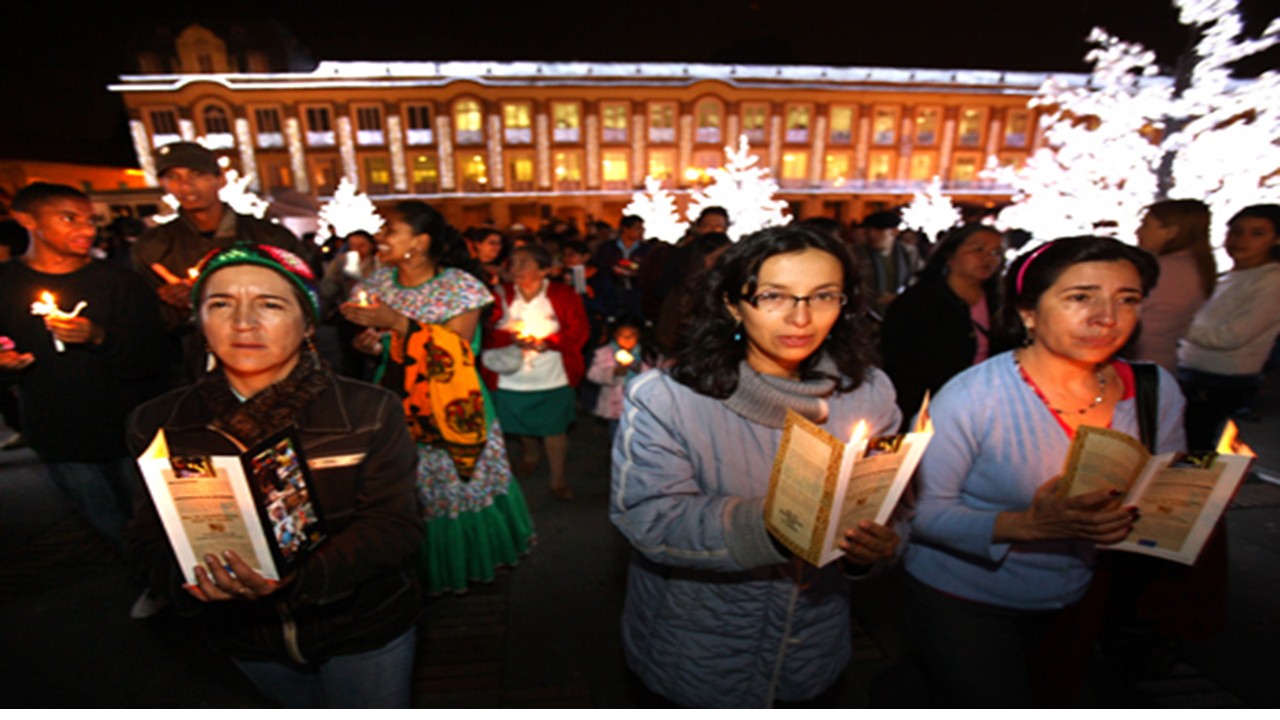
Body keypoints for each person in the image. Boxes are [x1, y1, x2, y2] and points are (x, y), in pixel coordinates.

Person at [611, 226, 902, 708]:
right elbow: (649, 518)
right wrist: (776, 521)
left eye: (824, 296)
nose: (801, 317)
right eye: (773, 296)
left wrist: (870, 549)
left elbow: (899, 509)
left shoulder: (868, 393)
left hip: (813, 651)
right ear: (732, 304)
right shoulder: (667, 399)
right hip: (698, 657)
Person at [126, 243, 423, 708]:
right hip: (244, 637)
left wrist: (297, 578)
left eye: (270, 304)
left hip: (362, 628)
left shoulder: (367, 410)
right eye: (221, 304)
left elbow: (396, 525)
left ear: (307, 325)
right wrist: (192, 582)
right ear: (199, 323)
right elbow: (148, 539)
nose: (244, 322)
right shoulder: (160, 424)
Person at [902, 236, 1185, 707]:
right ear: (1028, 312)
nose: (1106, 317)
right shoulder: (970, 397)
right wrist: (1028, 526)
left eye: (1127, 299)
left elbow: (1162, 490)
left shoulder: (1156, 390)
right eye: (1079, 297)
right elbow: (920, 512)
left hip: (1080, 598)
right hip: (965, 599)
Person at [339, 201, 534, 595]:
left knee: (454, 485)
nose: (380, 237)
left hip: (452, 404)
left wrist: (397, 323)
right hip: (393, 400)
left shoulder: (459, 287)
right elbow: (389, 347)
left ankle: (463, 564)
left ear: (420, 241)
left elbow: (456, 351)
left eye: (390, 229)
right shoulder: (376, 285)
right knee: (406, 487)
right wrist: (371, 345)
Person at [0, 183, 166, 555]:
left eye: (90, 219)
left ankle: (168, 584)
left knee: (153, 519)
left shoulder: (120, 282)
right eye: (69, 218)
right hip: (59, 432)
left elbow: (153, 355)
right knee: (107, 520)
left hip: (126, 427)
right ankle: (142, 578)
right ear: (27, 220)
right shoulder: (6, 285)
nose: (86, 229)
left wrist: (98, 337)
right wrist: (6, 364)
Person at [132, 142, 314, 379]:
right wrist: (172, 305)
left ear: (220, 179)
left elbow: (307, 299)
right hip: (192, 367)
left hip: (273, 362)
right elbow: (141, 322)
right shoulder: (153, 248)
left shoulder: (270, 237)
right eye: (173, 177)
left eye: (198, 175)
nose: (186, 185)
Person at [485, 243, 589, 500]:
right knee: (519, 422)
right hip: (511, 376)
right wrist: (510, 338)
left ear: (544, 270)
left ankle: (558, 479)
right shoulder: (502, 294)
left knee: (554, 428)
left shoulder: (563, 294)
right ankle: (530, 453)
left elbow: (579, 332)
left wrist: (548, 342)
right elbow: (486, 331)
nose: (516, 269)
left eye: (524, 263)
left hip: (552, 374)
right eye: (514, 263)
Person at [1177, 204, 1280, 451]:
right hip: (1193, 373)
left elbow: (1230, 337)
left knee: (1197, 449)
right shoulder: (1226, 276)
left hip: (1221, 381)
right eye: (1236, 231)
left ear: (1276, 239)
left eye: (1256, 233)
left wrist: (1174, 326)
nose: (1241, 240)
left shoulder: (1271, 281)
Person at [880, 224, 1005, 420]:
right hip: (934, 406)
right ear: (950, 255)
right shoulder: (920, 300)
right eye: (978, 250)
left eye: (996, 252)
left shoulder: (1000, 302)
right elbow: (898, 359)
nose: (989, 258)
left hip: (988, 404)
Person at [1130, 199, 1214, 373]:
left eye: (1146, 225)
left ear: (1171, 232)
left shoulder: (1164, 269)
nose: (1138, 232)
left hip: (1140, 364)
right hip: (1163, 360)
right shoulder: (1197, 266)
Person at [585, 315, 651, 442]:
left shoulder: (646, 354)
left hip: (640, 405)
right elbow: (593, 374)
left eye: (632, 335)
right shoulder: (606, 353)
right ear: (615, 334)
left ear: (639, 335)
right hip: (615, 406)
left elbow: (655, 374)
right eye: (622, 335)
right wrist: (613, 372)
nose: (627, 339)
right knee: (617, 437)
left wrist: (637, 367)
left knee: (638, 438)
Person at [856, 210, 921, 318]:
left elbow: (916, 280)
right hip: (867, 312)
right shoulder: (857, 253)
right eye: (869, 230)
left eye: (878, 230)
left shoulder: (909, 253)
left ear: (894, 232)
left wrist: (900, 297)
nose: (872, 235)